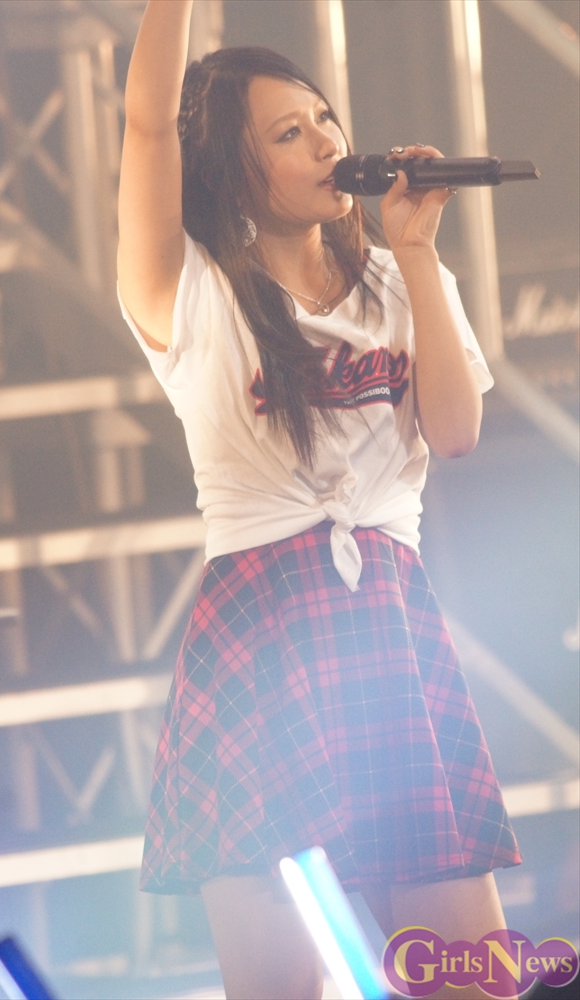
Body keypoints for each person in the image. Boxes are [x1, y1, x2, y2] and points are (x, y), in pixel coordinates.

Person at [117, 2, 521, 998]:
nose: (326, 143)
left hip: (389, 628)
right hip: (262, 640)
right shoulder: (189, 291)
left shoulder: (396, 278)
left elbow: (455, 433)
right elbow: (145, 125)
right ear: (231, 169)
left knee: (471, 977)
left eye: (324, 119)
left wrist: (416, 251)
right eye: (287, 134)